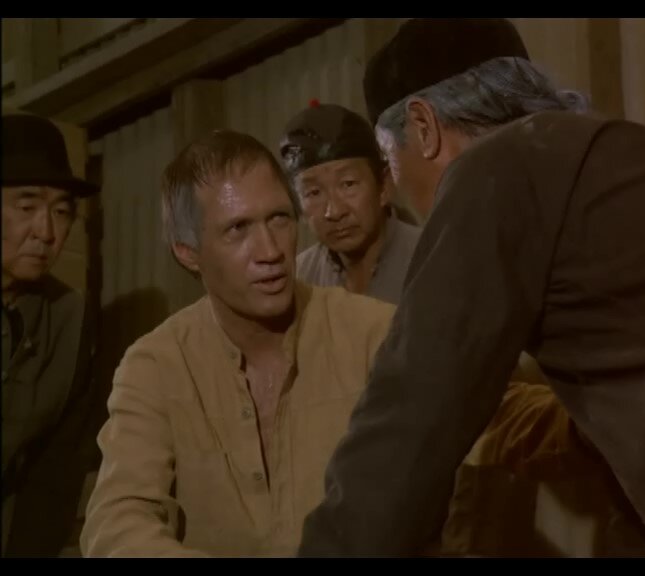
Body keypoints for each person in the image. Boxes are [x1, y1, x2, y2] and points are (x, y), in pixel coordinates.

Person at [298, 18, 645, 558]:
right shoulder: (623, 151)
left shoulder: (491, 172)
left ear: (423, 126)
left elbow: (412, 418)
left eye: (387, 160)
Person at [79, 130, 397, 557]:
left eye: (279, 219)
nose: (270, 250)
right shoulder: (155, 367)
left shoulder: (374, 334)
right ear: (188, 252)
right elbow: (117, 523)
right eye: (237, 229)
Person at [2, 113, 99, 556]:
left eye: (61, 212)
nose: (46, 232)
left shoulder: (68, 319)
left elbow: (56, 472)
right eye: (27, 207)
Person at [280, 103, 421, 304]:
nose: (334, 212)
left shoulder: (429, 257)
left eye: (348, 184)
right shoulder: (299, 277)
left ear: (384, 186)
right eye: (313, 193)